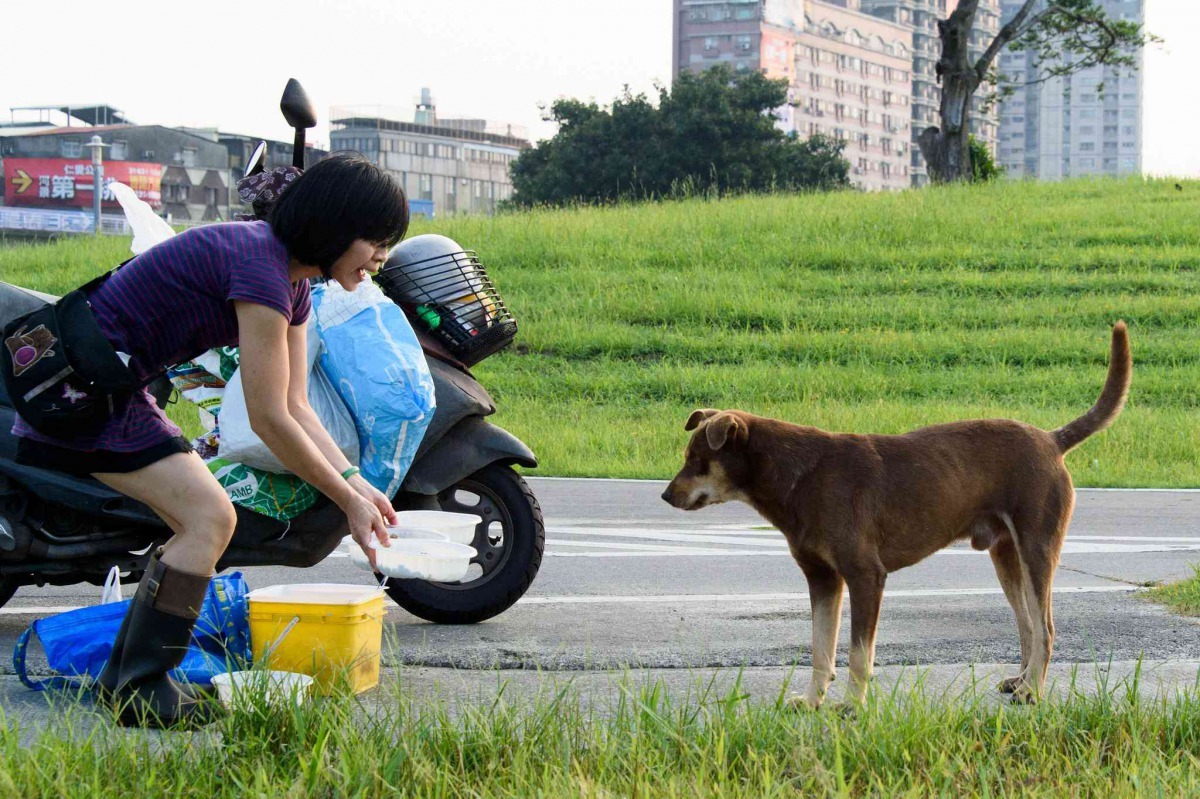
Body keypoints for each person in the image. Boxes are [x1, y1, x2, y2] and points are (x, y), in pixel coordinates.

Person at [10, 153, 408, 727]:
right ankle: (142, 687)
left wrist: (355, 485)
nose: (381, 255)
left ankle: (129, 682)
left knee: (206, 520)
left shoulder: (290, 284)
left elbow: (297, 405)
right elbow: (269, 417)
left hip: (112, 386)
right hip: (80, 394)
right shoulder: (261, 269)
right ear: (335, 227)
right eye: (375, 238)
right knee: (209, 520)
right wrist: (347, 503)